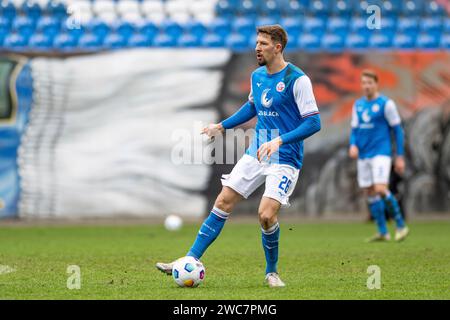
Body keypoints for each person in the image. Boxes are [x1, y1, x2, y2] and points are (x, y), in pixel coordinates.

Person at [156, 25, 321, 287]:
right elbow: (252, 107)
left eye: (263, 43)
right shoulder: (257, 76)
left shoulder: (297, 79)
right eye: (256, 43)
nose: (257, 48)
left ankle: (271, 271)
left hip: (285, 157)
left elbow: (313, 123)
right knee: (223, 201)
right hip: (256, 152)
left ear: (278, 47)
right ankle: (188, 259)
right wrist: (221, 126)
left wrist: (279, 140)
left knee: (266, 215)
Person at [349, 69, 409, 242]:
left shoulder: (386, 104)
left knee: (381, 189)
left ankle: (400, 225)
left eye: (370, 83)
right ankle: (383, 232)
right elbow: (354, 130)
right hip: (363, 155)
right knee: (369, 192)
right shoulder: (358, 105)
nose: (366, 86)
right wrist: (353, 145)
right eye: (364, 83)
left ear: (376, 84)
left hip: (381, 153)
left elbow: (398, 131)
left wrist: (400, 156)